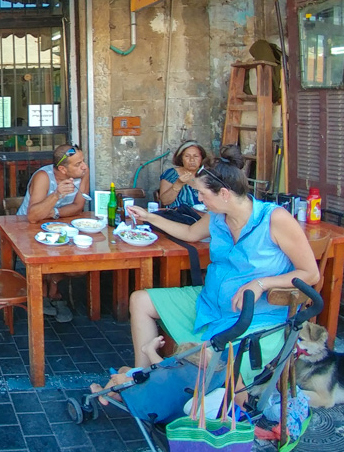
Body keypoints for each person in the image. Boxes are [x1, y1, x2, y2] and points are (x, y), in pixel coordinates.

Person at [124, 144, 319, 390]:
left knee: (207, 362)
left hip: (254, 317)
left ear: (224, 193)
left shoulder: (274, 219)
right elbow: (190, 232)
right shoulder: (218, 216)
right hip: (210, 303)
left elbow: (310, 274)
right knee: (140, 300)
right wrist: (149, 217)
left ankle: (170, 382)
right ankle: (141, 378)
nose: (199, 199)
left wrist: (261, 283)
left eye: (203, 194)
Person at [17, 144, 91, 322]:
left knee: (82, 266)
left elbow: (78, 206)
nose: (84, 167)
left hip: (59, 227)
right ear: (63, 169)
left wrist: (54, 212)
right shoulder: (44, 177)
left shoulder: (83, 173)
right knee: (44, 255)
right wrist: (57, 194)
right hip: (26, 229)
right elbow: (33, 216)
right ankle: (49, 292)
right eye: (78, 164)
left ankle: (53, 282)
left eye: (83, 161)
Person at [158, 140, 207, 211]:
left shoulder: (207, 174)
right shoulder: (171, 174)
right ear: (181, 159)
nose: (192, 160)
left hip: (204, 215)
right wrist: (178, 184)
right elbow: (165, 201)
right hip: (178, 215)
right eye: (187, 156)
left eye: (196, 156)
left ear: (202, 158)